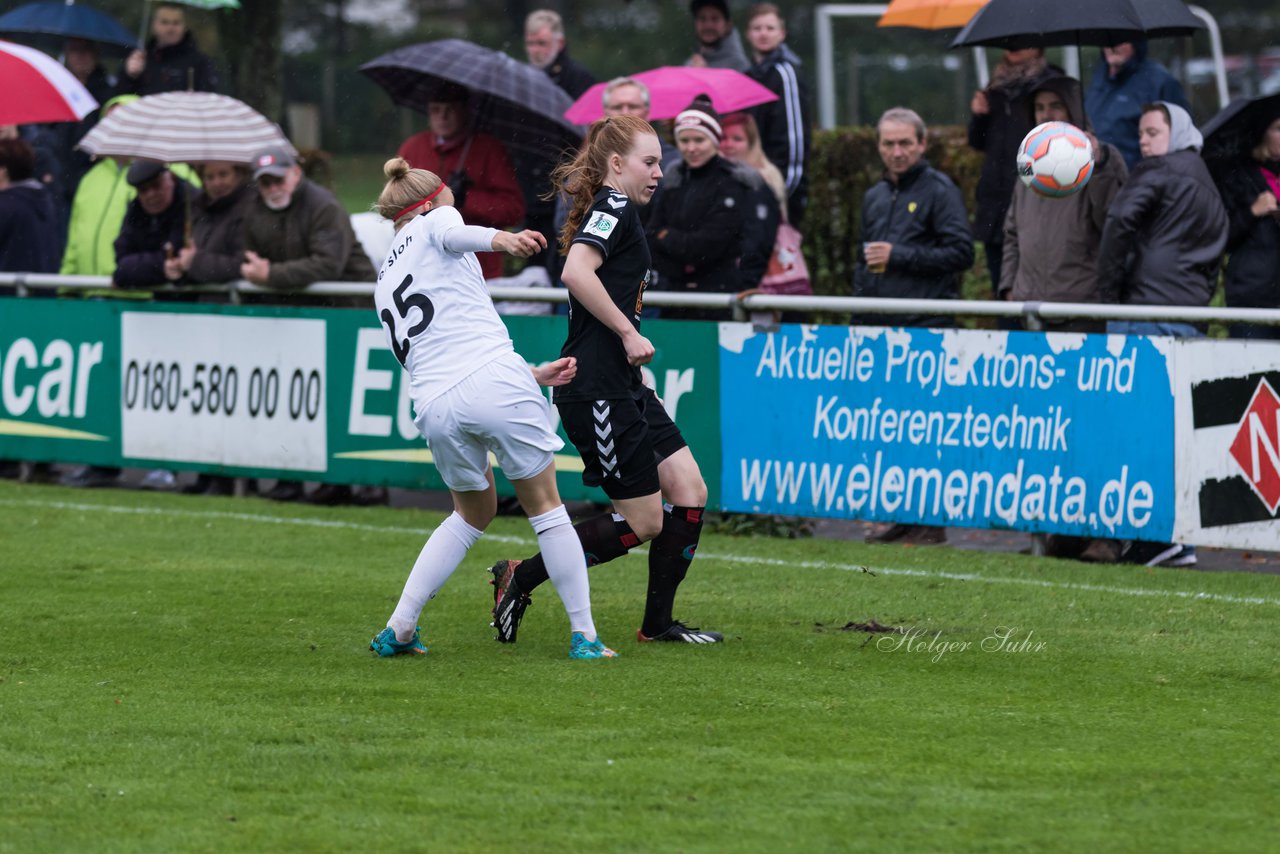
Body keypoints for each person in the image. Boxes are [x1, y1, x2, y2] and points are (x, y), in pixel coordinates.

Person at [366, 157, 615, 661]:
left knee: (470, 513)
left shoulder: (383, 281)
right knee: (545, 506)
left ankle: (400, 627)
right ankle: (584, 636)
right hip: (491, 381)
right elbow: (457, 235)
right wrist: (505, 239)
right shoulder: (438, 219)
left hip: (434, 404)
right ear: (432, 200)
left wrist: (531, 375)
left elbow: (446, 354)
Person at [490, 115, 723, 646]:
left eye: (661, 162)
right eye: (649, 162)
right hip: (595, 389)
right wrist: (627, 335)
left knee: (689, 490)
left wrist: (636, 369)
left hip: (624, 385)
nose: (659, 172)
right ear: (617, 165)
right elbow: (575, 272)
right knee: (643, 522)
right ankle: (518, 577)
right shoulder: (614, 206)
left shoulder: (620, 211)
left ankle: (658, 625)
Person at [1097, 102, 1228, 569]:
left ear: (1178, 134)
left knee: (1138, 433)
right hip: (1186, 321)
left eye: (1153, 131)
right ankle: (1175, 539)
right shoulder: (1209, 184)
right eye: (1141, 133)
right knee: (1171, 435)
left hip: (1146, 317)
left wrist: (1105, 296)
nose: (1144, 142)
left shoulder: (1158, 170)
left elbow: (1117, 221)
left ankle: (1157, 538)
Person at [856, 108, 974, 548]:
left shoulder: (940, 190)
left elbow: (962, 252)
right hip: (880, 331)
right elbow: (862, 263)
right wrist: (859, 320)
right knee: (891, 431)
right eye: (888, 143)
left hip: (926, 329)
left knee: (924, 431)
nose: (897, 151)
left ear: (923, 144)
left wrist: (901, 255)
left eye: (905, 143)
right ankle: (903, 517)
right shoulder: (873, 195)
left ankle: (930, 522)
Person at [240, 145, 379, 504]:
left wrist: (270, 274)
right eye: (265, 181)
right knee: (296, 401)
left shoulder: (323, 206)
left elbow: (327, 265)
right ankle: (297, 476)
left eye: (278, 178)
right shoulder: (255, 210)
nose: (272, 187)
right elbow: (249, 254)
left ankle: (356, 483)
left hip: (349, 314)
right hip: (302, 317)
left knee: (343, 403)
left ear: (296, 174)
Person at [1001, 76, 1128, 330]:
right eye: (1039, 107)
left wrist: (1099, 166)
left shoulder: (1104, 159)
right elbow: (1012, 234)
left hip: (1081, 307)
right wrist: (1009, 286)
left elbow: (1114, 224)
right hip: (1030, 308)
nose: (1046, 114)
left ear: (1073, 108)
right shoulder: (1029, 164)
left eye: (1055, 105)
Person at [163, 159, 255, 497]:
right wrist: (180, 267)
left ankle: (231, 474)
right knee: (206, 397)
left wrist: (195, 263)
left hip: (234, 315)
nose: (216, 182)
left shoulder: (248, 209)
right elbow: (199, 256)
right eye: (210, 176)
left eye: (223, 175)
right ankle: (208, 469)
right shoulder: (200, 207)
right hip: (206, 311)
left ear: (238, 174)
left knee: (230, 399)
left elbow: (238, 264)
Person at [396, 83, 525, 281]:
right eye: (436, 110)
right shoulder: (413, 148)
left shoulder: (488, 149)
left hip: (477, 267)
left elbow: (513, 210)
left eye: (451, 110)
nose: (443, 117)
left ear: (465, 111)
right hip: (421, 263)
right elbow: (395, 204)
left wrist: (467, 200)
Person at [645, 96, 750, 321]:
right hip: (674, 294)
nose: (691, 148)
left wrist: (669, 238)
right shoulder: (674, 178)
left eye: (698, 140)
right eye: (684, 140)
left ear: (714, 140)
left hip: (719, 294)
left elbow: (709, 245)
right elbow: (652, 235)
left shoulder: (732, 180)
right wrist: (677, 244)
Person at [968, 48, 1059, 292]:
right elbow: (978, 142)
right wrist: (979, 116)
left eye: (1021, 41)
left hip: (1034, 197)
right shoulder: (994, 87)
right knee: (1002, 288)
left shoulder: (1051, 82)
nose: (1013, 46)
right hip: (995, 206)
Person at [0, 138, 59, 482]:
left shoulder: (7, 205)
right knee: (34, 388)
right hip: (40, 306)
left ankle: (9, 457)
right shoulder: (42, 200)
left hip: (10, 305)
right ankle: (38, 458)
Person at [744, 2, 812, 227]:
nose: (763, 33)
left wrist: (782, 194)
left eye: (770, 28)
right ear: (748, 34)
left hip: (779, 197)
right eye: (757, 28)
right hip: (751, 192)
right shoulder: (748, 76)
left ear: (782, 33)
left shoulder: (786, 74)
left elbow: (795, 144)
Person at [1215, 111, 1280, 340]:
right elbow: (1223, 236)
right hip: (1252, 297)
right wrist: (1253, 211)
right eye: (1278, 129)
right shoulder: (1237, 174)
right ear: (1263, 135)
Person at [1085, 40, 1190, 171]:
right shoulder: (1099, 77)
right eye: (1108, 39)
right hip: (1101, 179)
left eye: (1121, 39)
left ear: (1136, 42)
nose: (1112, 47)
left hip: (1141, 182)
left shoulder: (1159, 82)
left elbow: (1180, 140)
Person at [112, 161, 195, 290]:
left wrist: (138, 268)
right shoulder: (136, 209)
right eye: (143, 190)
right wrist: (161, 266)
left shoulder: (192, 203)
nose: (151, 195)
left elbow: (178, 259)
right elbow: (122, 262)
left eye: (156, 186)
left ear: (170, 178)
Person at [117, 2, 218, 96]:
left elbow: (209, 96)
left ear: (184, 26)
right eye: (165, 22)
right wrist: (129, 76)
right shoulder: (141, 58)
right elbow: (120, 98)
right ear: (154, 25)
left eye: (176, 23)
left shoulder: (199, 62)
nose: (170, 28)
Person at [524, 9, 596, 100]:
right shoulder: (524, 74)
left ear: (560, 43)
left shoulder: (577, 77)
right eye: (530, 43)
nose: (534, 50)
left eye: (542, 43)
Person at [687, 0, 751, 72]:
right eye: (702, 19)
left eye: (715, 19)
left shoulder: (740, 68)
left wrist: (703, 74)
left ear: (728, 25)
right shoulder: (690, 64)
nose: (708, 25)